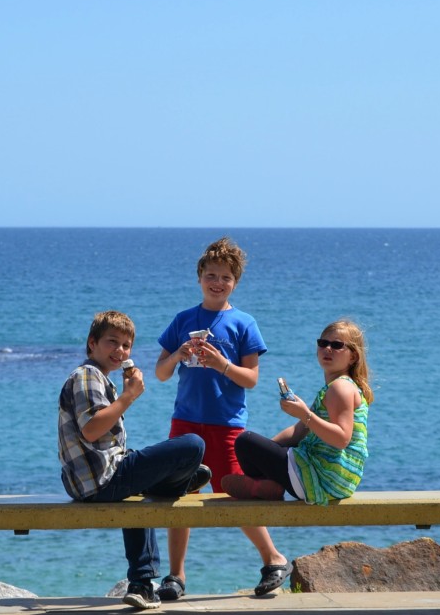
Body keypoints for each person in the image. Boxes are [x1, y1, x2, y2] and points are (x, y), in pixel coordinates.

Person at [154, 237, 290, 598]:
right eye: (211, 275)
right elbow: (161, 373)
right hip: (184, 422)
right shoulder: (183, 320)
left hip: (227, 423)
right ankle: (176, 576)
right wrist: (178, 354)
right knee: (179, 496)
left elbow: (252, 379)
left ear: (236, 282)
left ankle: (273, 558)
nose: (217, 282)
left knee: (233, 491)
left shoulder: (244, 323)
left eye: (226, 277)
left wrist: (221, 364)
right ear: (199, 277)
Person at [58, 310, 212, 610]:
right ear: (92, 344)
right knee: (193, 445)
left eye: (126, 345)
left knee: (139, 489)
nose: (120, 351)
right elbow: (91, 430)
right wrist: (128, 397)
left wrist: (123, 395)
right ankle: (173, 484)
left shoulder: (98, 377)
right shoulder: (86, 375)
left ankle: (141, 583)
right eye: (111, 342)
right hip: (100, 479)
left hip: (91, 481)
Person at [222, 319, 373, 508]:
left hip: (323, 477)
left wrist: (304, 414)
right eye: (323, 343)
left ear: (352, 357)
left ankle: (264, 486)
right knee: (256, 446)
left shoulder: (340, 388)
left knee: (245, 441)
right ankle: (267, 485)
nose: (328, 349)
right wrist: (268, 451)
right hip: (341, 480)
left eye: (337, 345)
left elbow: (341, 439)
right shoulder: (340, 386)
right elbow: (300, 431)